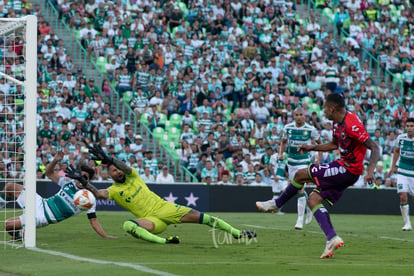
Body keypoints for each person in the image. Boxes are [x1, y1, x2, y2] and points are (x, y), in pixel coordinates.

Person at [256, 93, 380, 258]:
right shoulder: (337, 123)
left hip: (348, 169)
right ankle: (332, 238)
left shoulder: (351, 124)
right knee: (313, 200)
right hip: (344, 167)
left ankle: (277, 203)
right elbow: (334, 145)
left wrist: (370, 171)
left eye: (325, 108)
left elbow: (375, 147)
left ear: (332, 108)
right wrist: (311, 147)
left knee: (300, 175)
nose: (323, 112)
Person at [68, 144, 256, 244]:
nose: (117, 172)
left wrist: (110, 159)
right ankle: (165, 242)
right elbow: (99, 195)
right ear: (108, 175)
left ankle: (237, 233)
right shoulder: (114, 190)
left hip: (165, 208)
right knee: (128, 225)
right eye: (112, 171)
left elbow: (125, 166)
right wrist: (85, 183)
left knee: (204, 218)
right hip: (152, 221)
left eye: (117, 169)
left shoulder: (132, 176)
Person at [0, 151, 115, 240]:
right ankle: (20, 232)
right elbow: (49, 173)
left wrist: (106, 236)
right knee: (10, 186)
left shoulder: (90, 198)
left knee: (8, 225)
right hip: (41, 202)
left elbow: (93, 221)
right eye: (80, 176)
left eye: (85, 178)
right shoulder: (68, 182)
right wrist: (55, 160)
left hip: (43, 217)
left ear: (89, 180)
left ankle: (20, 234)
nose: (81, 179)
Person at [278, 107, 322, 230]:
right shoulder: (288, 128)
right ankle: (308, 208)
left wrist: (318, 159)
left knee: (300, 189)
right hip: (291, 162)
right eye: (296, 114)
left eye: (300, 114)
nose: (298, 116)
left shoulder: (310, 129)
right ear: (293, 116)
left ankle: (299, 220)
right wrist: (281, 154)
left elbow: (320, 143)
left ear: (304, 116)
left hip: (304, 161)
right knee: (297, 189)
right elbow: (283, 142)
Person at [387, 117, 414, 231]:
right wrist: (393, 167)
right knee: (402, 196)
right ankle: (407, 224)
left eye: (412, 126)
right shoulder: (401, 138)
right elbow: (396, 151)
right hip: (402, 171)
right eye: (407, 126)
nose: (409, 128)